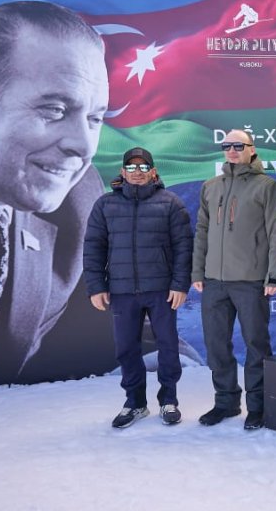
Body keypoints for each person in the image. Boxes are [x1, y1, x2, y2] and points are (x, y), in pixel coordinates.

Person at [0, 0, 111, 389]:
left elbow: (111, 327)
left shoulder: (77, 198)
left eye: (95, 119)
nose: (82, 146)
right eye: (55, 110)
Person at [83, 148, 193, 428]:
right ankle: (135, 403)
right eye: (131, 167)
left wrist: (180, 285)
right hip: (122, 291)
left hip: (161, 290)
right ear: (123, 172)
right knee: (126, 349)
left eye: (143, 167)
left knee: (168, 347)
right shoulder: (105, 204)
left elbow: (184, 248)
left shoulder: (171, 203)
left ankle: (169, 400)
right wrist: (96, 286)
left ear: (153, 172)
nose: (137, 172)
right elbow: (93, 247)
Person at [192, 129, 276, 430]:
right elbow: (202, 232)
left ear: (252, 149)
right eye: (227, 146)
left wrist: (275, 275)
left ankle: (258, 406)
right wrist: (197, 272)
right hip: (214, 281)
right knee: (216, 344)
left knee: (256, 344)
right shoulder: (211, 187)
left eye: (238, 145)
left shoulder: (266, 186)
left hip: (251, 281)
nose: (232, 150)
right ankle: (226, 402)